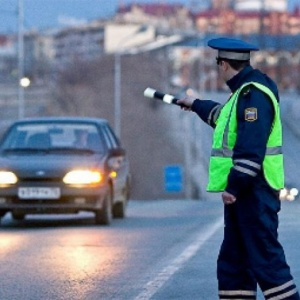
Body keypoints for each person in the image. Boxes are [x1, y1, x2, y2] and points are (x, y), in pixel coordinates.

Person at [177, 37, 299, 300]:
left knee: (266, 261)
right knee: (234, 262)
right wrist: (195, 104)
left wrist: (234, 186)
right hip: (248, 193)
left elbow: (250, 147)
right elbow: (224, 119)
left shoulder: (253, 94)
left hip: (254, 191)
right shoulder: (243, 93)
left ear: (223, 64)